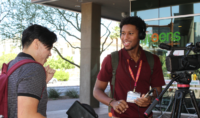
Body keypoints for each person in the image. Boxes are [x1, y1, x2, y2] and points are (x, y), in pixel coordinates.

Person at [93, 16, 165, 118]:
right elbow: (97, 90)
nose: (125, 37)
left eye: (130, 33)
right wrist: (113, 103)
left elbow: (158, 91)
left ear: (140, 35)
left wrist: (150, 99)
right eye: (123, 33)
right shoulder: (111, 59)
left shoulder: (153, 60)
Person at [7, 24, 57, 118]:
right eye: (49, 48)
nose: (50, 54)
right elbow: (26, 115)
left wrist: (42, 81)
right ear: (36, 43)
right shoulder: (34, 68)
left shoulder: (12, 64)